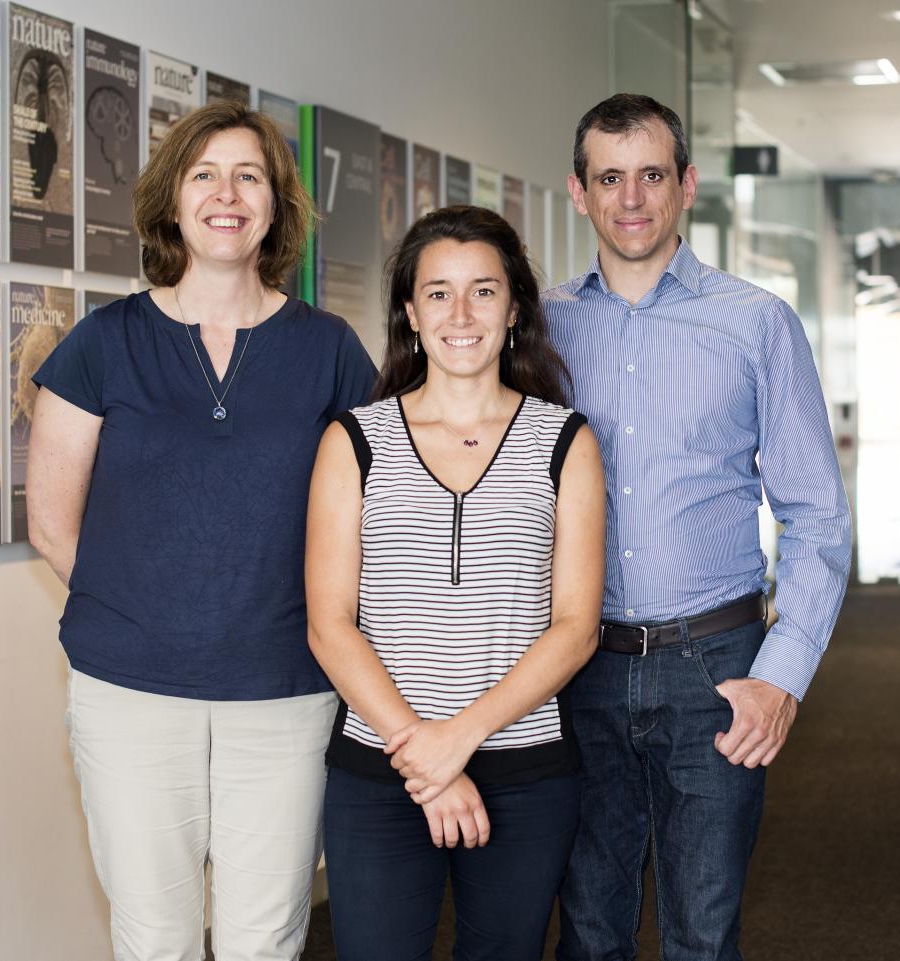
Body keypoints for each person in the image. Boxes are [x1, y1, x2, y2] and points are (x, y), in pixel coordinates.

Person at [25, 101, 376, 961]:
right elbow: (50, 524)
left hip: (287, 692)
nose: (228, 193)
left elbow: (368, 521)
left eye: (249, 175)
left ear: (277, 205)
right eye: (204, 174)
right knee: (156, 936)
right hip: (131, 694)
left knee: (267, 934)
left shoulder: (330, 352)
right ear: (171, 201)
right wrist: (159, 613)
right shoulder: (101, 345)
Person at [544, 94, 851, 961]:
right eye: (610, 178)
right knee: (588, 927)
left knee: (703, 933)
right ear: (579, 192)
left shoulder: (757, 323)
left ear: (687, 185)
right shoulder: (541, 325)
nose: (631, 198)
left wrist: (781, 676)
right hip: (576, 667)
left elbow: (816, 514)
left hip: (714, 671)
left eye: (650, 175)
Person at [305, 205, 606, 961]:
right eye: (438, 292)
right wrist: (427, 762)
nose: (461, 313)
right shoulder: (353, 439)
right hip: (380, 773)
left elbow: (576, 626)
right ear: (410, 312)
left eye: (483, 290)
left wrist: (459, 739)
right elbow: (329, 623)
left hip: (525, 772)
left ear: (514, 310)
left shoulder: (564, 440)